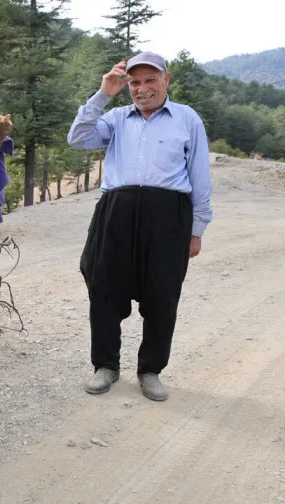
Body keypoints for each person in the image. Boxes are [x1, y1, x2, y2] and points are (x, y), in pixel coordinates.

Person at [66, 51, 213, 401]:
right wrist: (103, 93)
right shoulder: (115, 118)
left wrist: (197, 229)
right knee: (102, 286)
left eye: (150, 80)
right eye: (134, 82)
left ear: (166, 79)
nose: (142, 88)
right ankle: (106, 366)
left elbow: (200, 177)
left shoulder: (186, 119)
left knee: (163, 294)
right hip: (115, 212)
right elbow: (77, 137)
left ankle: (150, 371)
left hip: (168, 217)